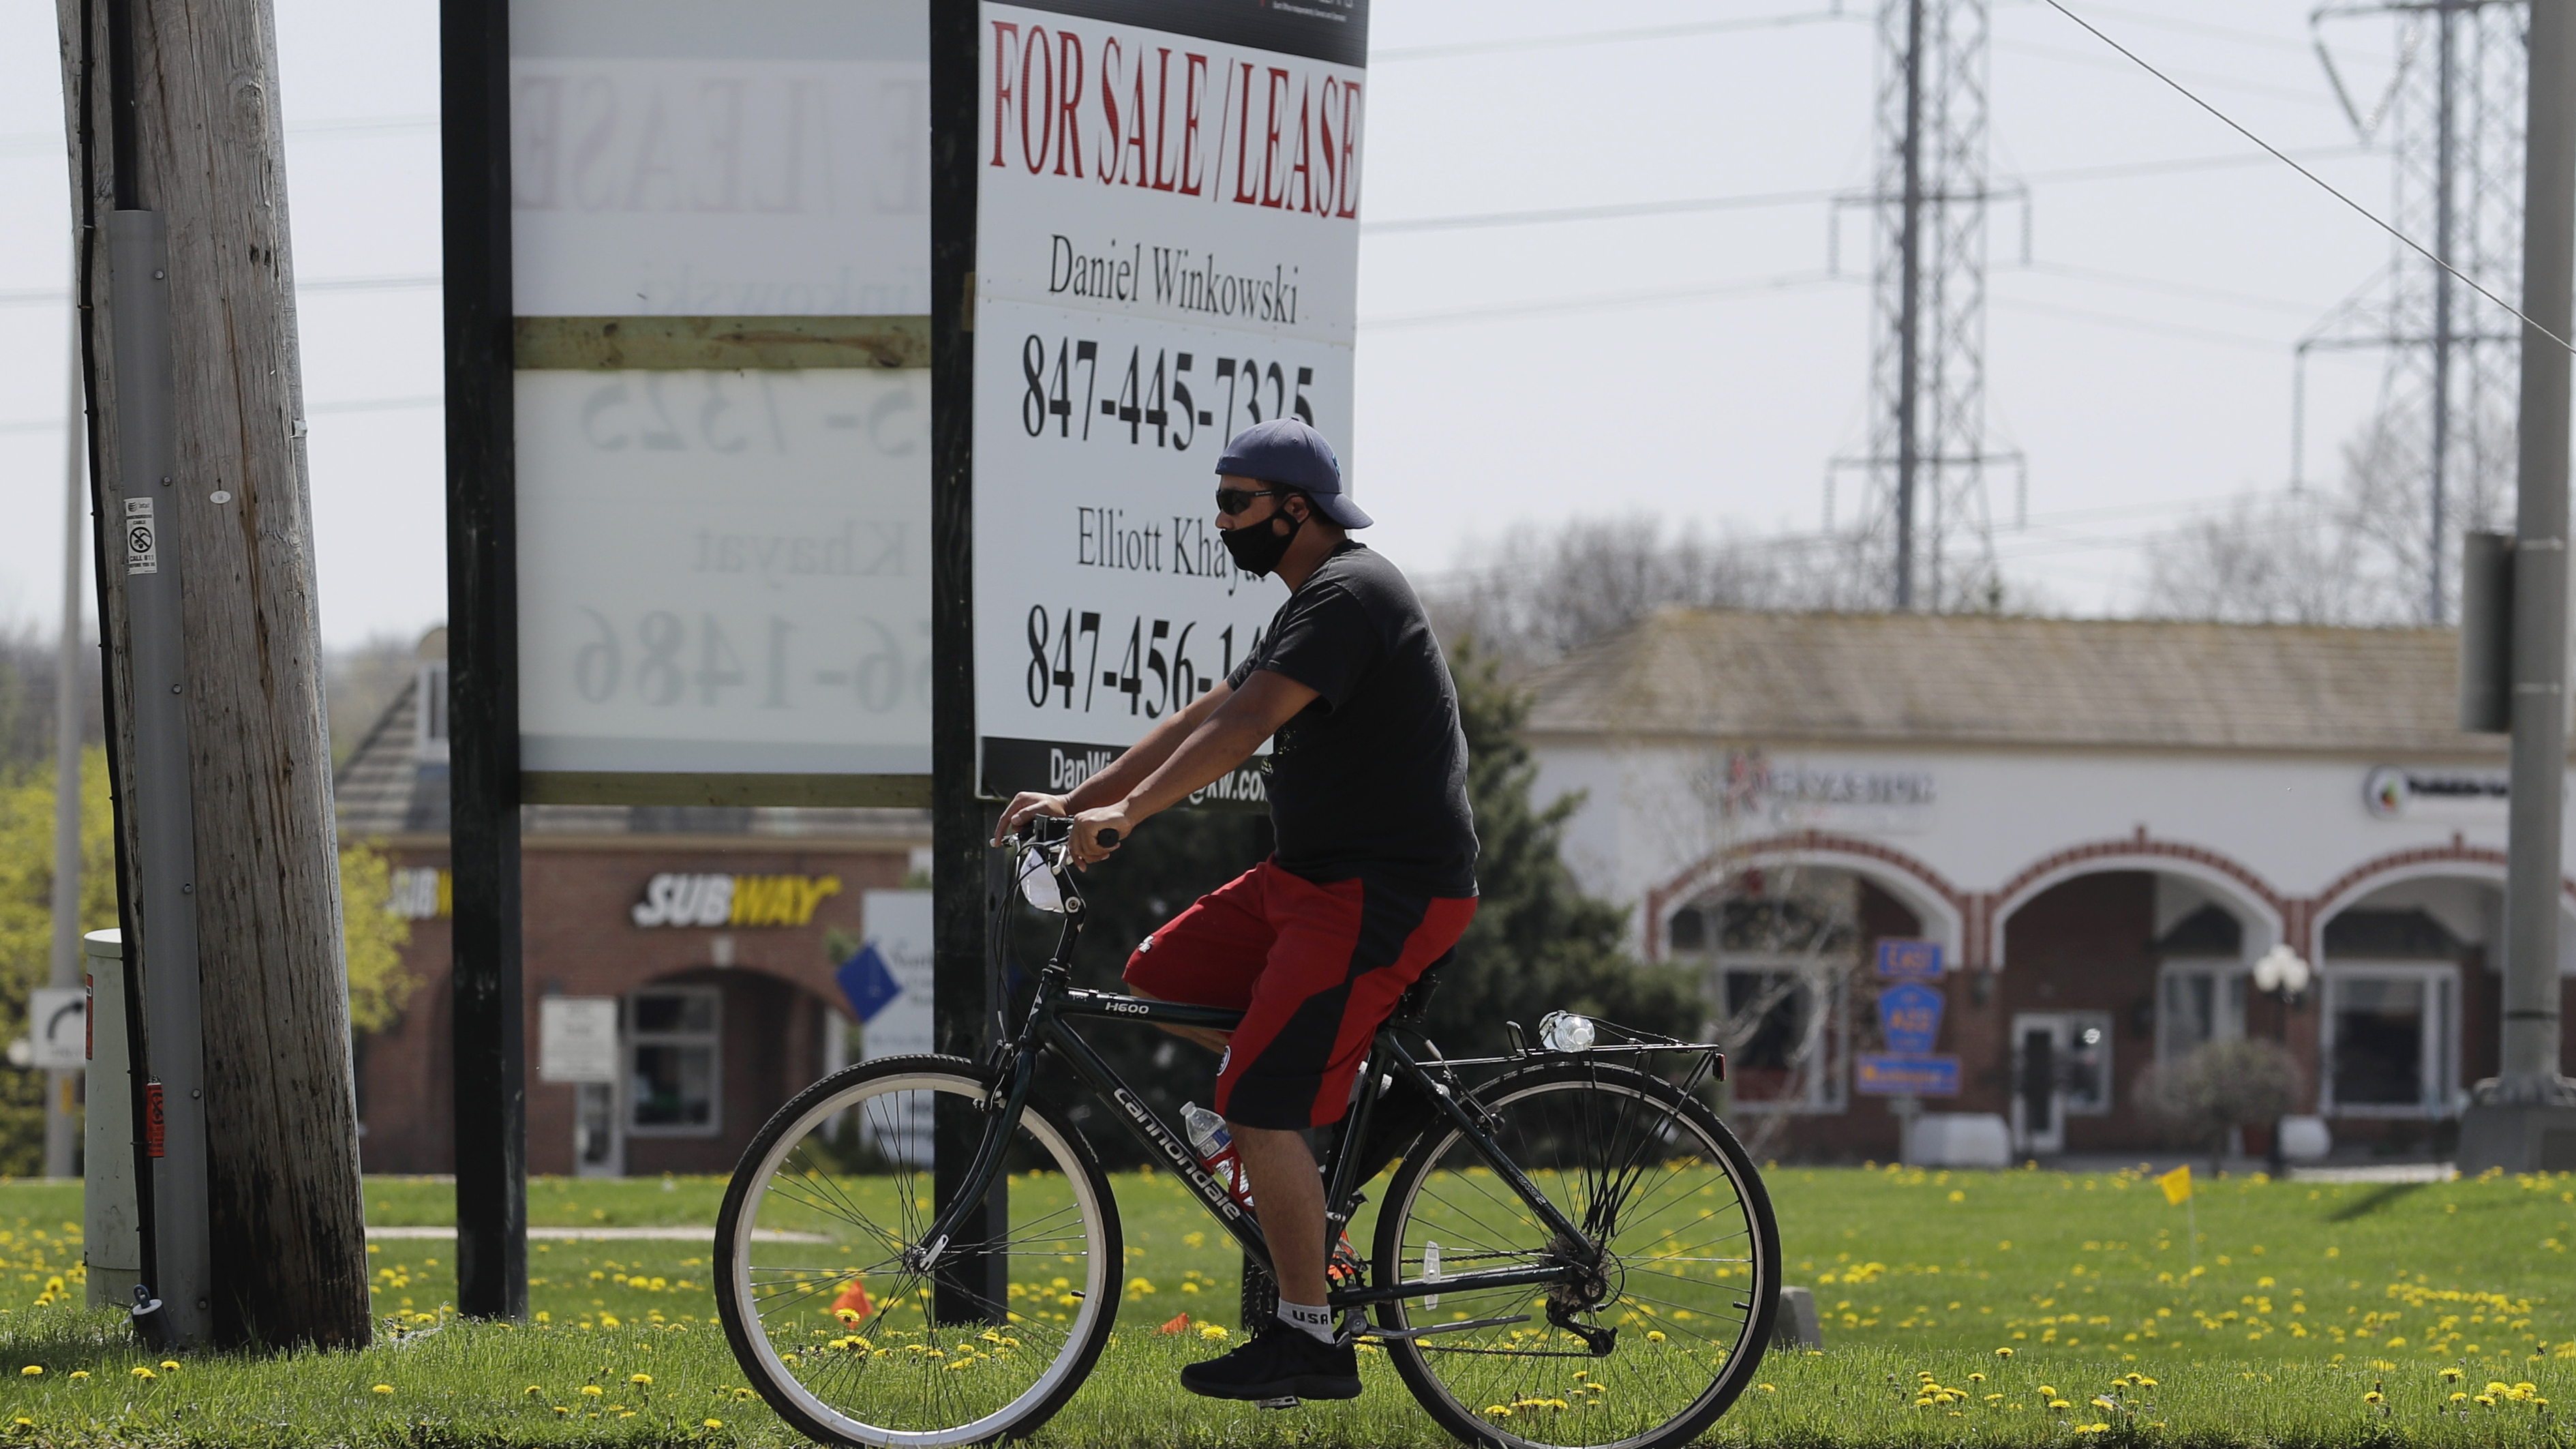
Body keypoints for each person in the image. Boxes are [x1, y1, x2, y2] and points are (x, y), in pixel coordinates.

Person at [995, 417, 1478, 1403]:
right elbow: (1210, 713)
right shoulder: (1313, 601)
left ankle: (1309, 1339)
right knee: (1158, 975)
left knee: (1256, 1099)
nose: (1219, 523)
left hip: (1382, 890)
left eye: (1234, 503)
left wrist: (1131, 813)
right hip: (1308, 882)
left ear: (1296, 510)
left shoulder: (1351, 592)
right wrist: (1082, 800)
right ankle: (1310, 1128)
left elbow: (1252, 723)